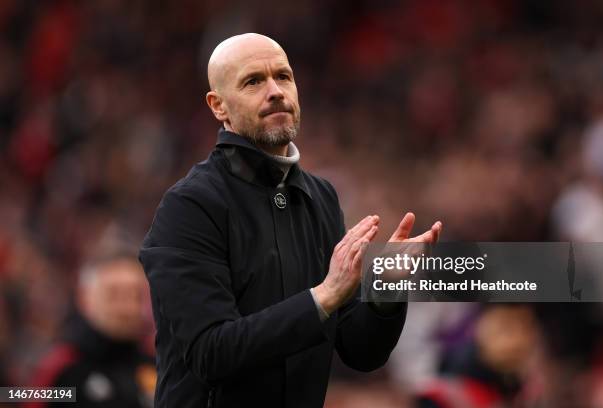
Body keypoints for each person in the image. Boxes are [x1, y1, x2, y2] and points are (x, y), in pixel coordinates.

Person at [139, 33, 442, 408]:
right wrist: (323, 297)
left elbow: (360, 352)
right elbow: (210, 353)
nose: (275, 91)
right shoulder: (189, 206)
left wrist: (384, 291)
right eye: (253, 81)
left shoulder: (320, 197)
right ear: (219, 106)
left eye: (283, 77)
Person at [27, 249, 155, 408]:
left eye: (135, 295)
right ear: (85, 298)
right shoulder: (63, 368)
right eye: (113, 295)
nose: (127, 308)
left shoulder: (156, 364)